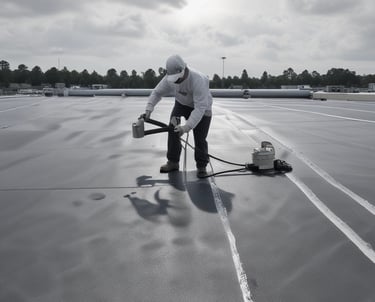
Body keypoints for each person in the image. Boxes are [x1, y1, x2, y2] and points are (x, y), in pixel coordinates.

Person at [143, 54, 213, 178]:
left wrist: (186, 127)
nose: (177, 81)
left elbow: (199, 108)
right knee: (172, 129)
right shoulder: (169, 79)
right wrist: (149, 108)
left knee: (200, 138)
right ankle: (173, 162)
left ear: (183, 69)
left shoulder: (198, 80)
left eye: (178, 79)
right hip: (181, 104)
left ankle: (201, 166)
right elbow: (157, 92)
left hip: (203, 108)